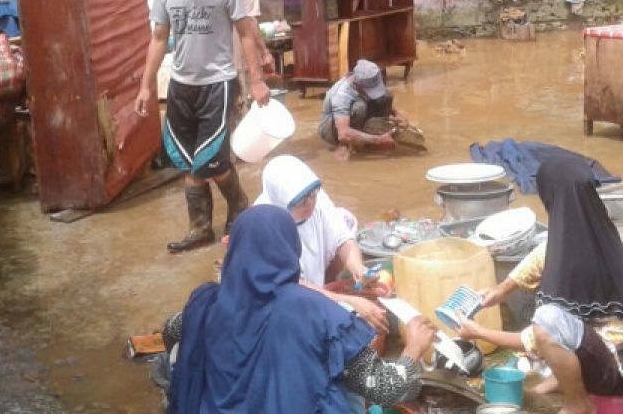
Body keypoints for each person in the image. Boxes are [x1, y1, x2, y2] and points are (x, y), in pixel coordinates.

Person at [162, 205, 435, 414]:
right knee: (345, 388)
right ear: (290, 249)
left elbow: (170, 333)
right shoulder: (317, 313)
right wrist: (413, 347)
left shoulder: (203, 304)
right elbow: (384, 388)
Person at [459, 153, 623, 411]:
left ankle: (577, 403)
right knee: (561, 324)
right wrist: (500, 291)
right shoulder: (596, 228)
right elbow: (541, 257)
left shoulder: (576, 263)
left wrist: (479, 332)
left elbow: (538, 337)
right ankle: (559, 383)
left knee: (548, 321)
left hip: (619, 374)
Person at [135, 0, 272, 253]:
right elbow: (157, 38)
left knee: (208, 160)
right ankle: (205, 226)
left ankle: (234, 209)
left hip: (219, 83)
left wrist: (256, 80)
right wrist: (146, 85)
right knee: (187, 160)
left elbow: (245, 32)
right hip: (182, 85)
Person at [254, 155, 389, 334]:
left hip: (307, 283)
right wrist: (347, 301)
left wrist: (358, 269)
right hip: (283, 303)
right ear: (284, 202)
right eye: (302, 201)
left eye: (313, 195)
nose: (310, 203)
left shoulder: (311, 195)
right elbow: (292, 285)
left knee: (346, 219)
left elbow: (342, 238)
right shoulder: (264, 224)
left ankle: (327, 287)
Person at [318, 59, 402, 161]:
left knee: (386, 96)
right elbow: (343, 132)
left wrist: (397, 114)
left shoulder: (368, 80)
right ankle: (345, 144)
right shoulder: (341, 94)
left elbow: (381, 96)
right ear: (358, 85)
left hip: (354, 117)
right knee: (360, 107)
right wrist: (378, 141)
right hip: (332, 128)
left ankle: (376, 134)